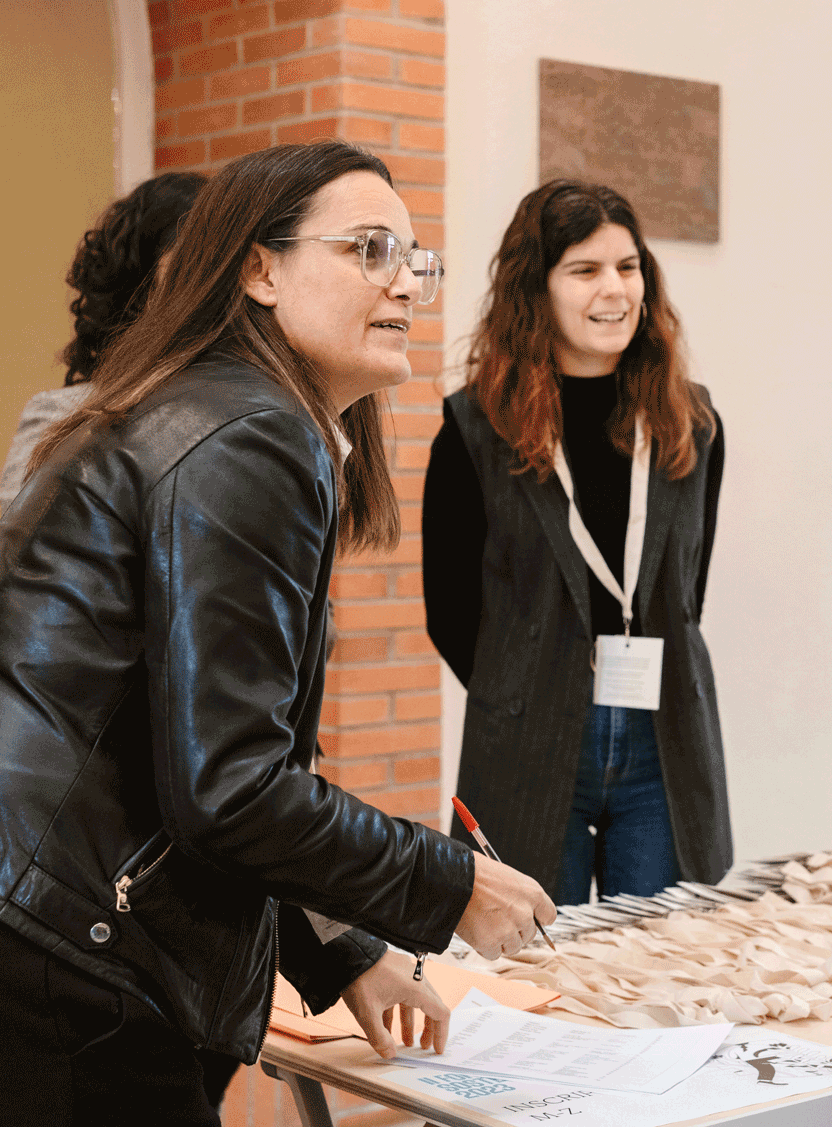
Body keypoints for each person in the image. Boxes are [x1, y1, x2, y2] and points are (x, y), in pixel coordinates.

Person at [0, 140, 555, 1124]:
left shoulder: (207, 409)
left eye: (416, 261)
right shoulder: (250, 432)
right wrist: (447, 878)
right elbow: (229, 787)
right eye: (368, 250)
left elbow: (186, 756)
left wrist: (343, 952)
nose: (405, 285)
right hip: (71, 958)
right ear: (257, 268)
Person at [424, 180, 730, 906]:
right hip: (529, 738)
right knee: (533, 966)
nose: (615, 289)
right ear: (538, 287)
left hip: (664, 738)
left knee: (660, 970)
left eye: (629, 268)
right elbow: (450, 608)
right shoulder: (476, 428)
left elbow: (688, 588)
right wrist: (528, 685)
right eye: (585, 270)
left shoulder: (692, 421)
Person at [0, 171, 206, 511]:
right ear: (140, 288)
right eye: (187, 273)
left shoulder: (248, 407)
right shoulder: (64, 414)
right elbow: (14, 552)